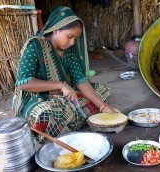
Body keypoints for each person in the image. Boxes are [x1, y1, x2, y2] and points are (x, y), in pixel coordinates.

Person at [13, 6, 116, 143]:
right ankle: (76, 119)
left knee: (103, 92)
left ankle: (67, 124)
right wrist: (61, 85)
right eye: (70, 36)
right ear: (56, 29)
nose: (73, 42)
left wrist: (103, 106)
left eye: (75, 38)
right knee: (45, 115)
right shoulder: (35, 47)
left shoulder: (70, 50)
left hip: (66, 96)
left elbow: (80, 80)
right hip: (38, 98)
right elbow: (23, 83)